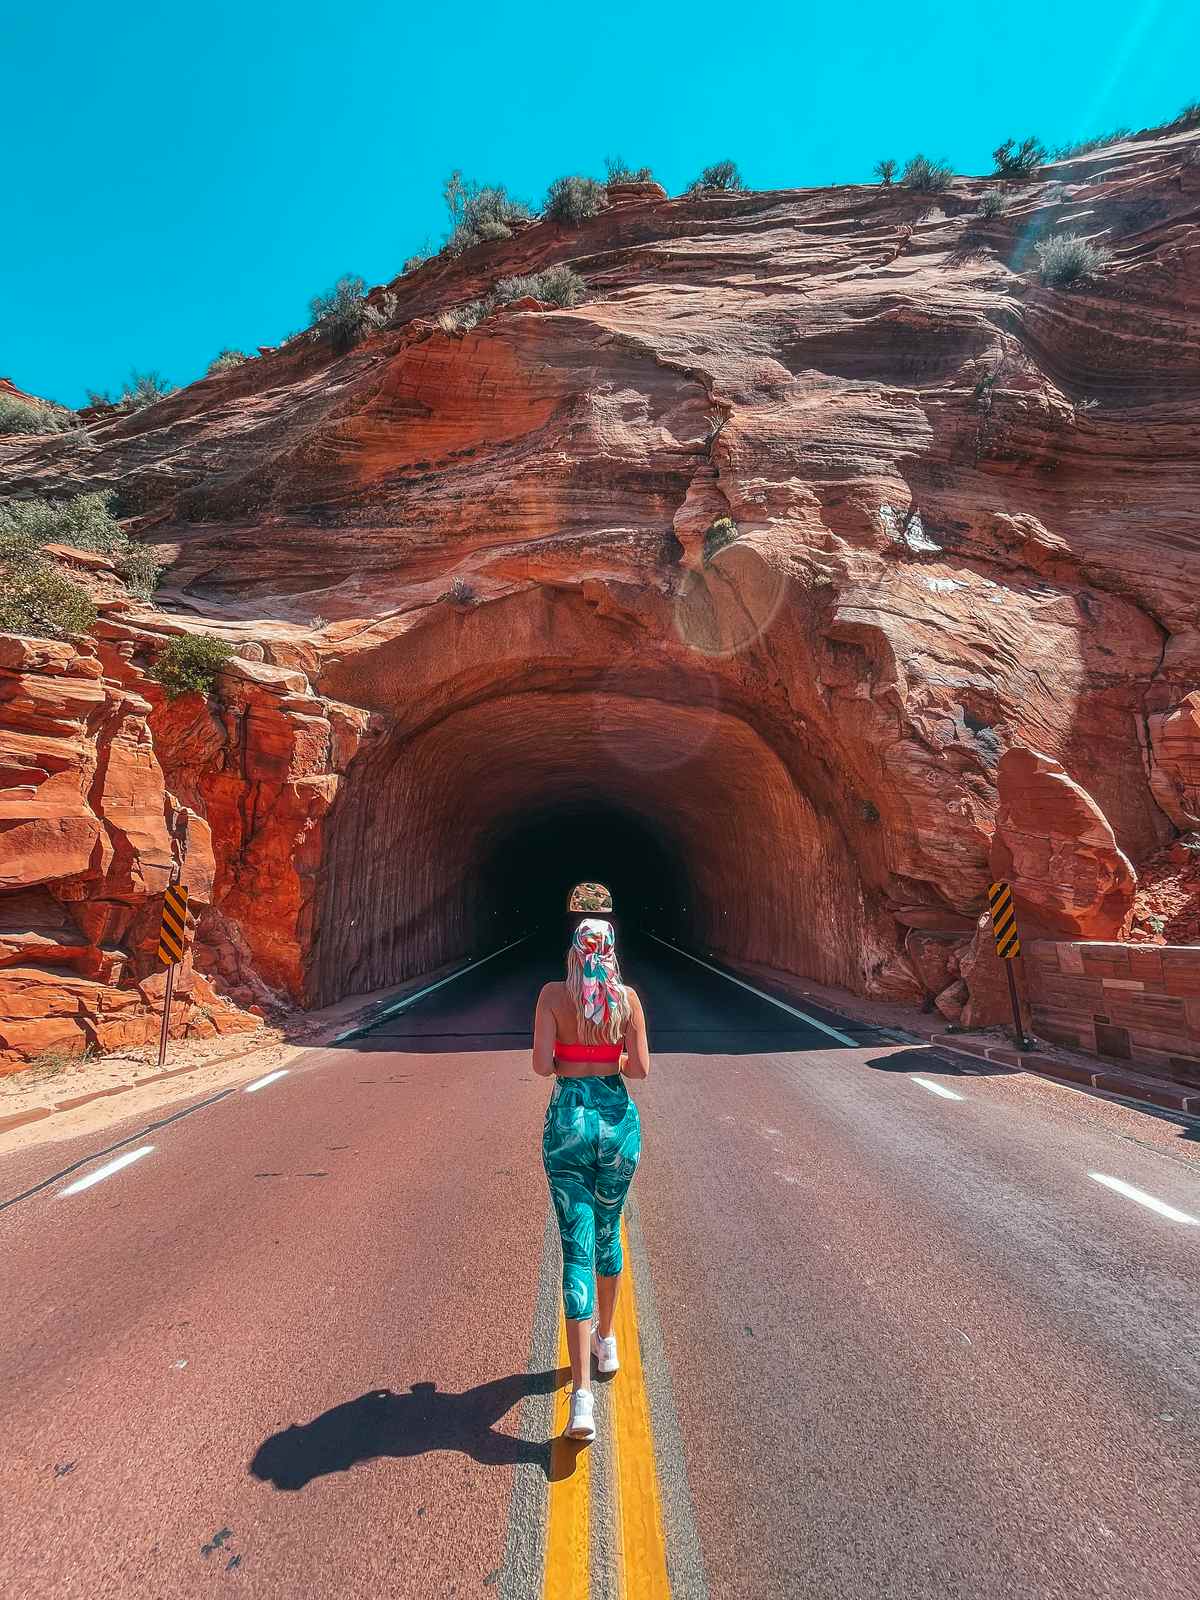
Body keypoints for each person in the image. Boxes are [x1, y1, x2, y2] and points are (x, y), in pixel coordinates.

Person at [532, 918, 650, 1442]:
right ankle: (608, 1340)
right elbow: (641, 1069)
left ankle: (581, 1400)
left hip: (568, 1128)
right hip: (617, 1127)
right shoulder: (627, 1000)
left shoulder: (553, 997)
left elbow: (541, 1065)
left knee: (574, 1250)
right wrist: (611, 1055)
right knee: (610, 1233)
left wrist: (572, 1057)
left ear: (576, 951)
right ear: (611, 951)